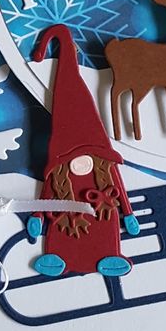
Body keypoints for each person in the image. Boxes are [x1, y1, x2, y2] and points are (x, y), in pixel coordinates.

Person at [28, 24, 139, 277]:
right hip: (66, 221)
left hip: (102, 217)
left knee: (104, 226)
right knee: (63, 227)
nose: (79, 160)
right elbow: (47, 193)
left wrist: (128, 215)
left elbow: (119, 190)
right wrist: (38, 216)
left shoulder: (105, 173)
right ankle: (59, 256)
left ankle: (107, 255)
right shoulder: (59, 175)